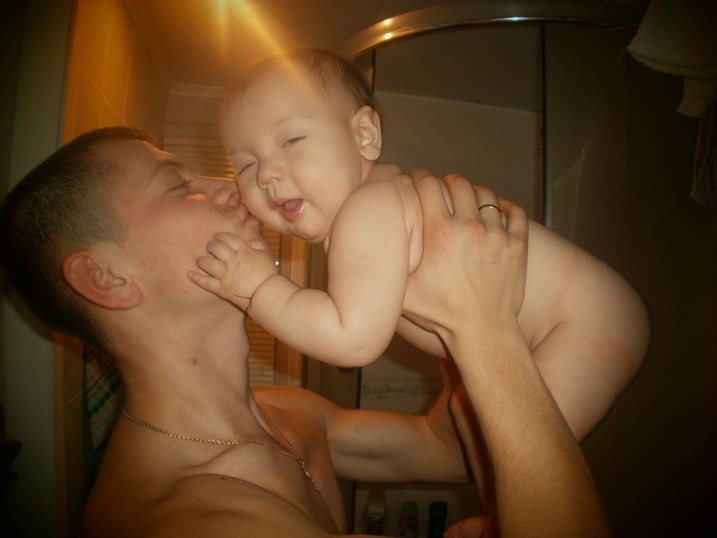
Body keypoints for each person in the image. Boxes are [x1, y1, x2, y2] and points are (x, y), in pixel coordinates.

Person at [0, 126, 609, 536]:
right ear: (106, 278)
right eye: (180, 187)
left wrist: (439, 297)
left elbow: (444, 450)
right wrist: (485, 328)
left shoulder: (286, 412)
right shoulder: (190, 520)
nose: (229, 189)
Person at [190, 47, 649, 441]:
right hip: (580, 318)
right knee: (506, 455)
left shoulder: (367, 211)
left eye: (291, 140)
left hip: (582, 322)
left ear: (364, 135)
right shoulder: (375, 201)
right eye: (245, 165)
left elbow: (351, 339)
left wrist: (257, 288)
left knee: (527, 460)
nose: (267, 175)